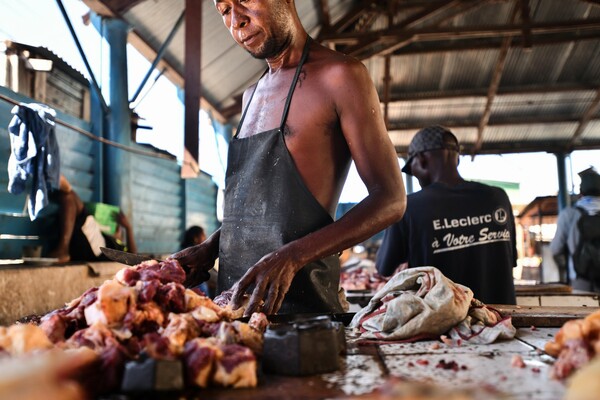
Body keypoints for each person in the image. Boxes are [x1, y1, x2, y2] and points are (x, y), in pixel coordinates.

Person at [172, 0, 406, 316]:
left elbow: (390, 199)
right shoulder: (250, 96)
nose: (236, 21)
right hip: (235, 311)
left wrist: (293, 256)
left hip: (307, 315)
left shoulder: (340, 76)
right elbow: (260, 208)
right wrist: (209, 248)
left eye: (245, 1)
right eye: (225, 10)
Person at [376, 125, 517, 305]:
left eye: (413, 169)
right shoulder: (498, 198)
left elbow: (384, 267)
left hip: (445, 328)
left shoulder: (409, 207)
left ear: (422, 160)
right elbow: (507, 262)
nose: (415, 176)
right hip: (500, 323)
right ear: (456, 159)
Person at [47, 175, 137, 263]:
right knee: (70, 197)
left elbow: (134, 259)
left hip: (98, 249)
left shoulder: (121, 252)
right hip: (97, 238)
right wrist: (114, 237)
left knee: (70, 197)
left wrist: (128, 228)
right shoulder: (116, 241)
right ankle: (61, 185)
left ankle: (63, 250)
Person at [550, 167, 600, 293]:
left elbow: (555, 249)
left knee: (584, 312)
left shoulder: (569, 214)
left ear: (581, 192)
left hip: (581, 281)